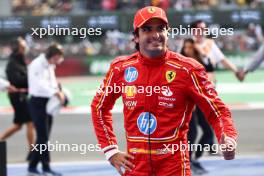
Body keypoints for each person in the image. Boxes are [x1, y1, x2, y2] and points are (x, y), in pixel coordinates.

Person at [91, 6, 237, 176]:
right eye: (147, 29)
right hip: (135, 168)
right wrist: (111, 151)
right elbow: (99, 107)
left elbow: (217, 110)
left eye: (161, 28)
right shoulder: (120, 68)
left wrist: (227, 137)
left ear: (168, 33)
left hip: (174, 168)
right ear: (136, 37)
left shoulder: (188, 69)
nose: (155, 34)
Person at [27, 43, 65, 176]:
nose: (58, 60)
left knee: (44, 136)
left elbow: (52, 82)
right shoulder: (37, 64)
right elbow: (39, 85)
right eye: (57, 57)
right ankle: (46, 167)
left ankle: (32, 164)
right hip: (37, 102)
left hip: (48, 102)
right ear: (52, 55)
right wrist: (54, 92)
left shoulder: (49, 64)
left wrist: (58, 90)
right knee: (43, 137)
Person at [181, 38, 215, 174]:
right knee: (192, 132)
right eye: (186, 47)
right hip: (188, 104)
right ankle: (188, 161)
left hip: (201, 102)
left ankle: (195, 158)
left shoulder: (200, 62)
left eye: (191, 47)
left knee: (208, 132)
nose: (188, 50)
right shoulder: (180, 62)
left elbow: (211, 71)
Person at [0, 37, 35, 153]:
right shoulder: (13, 63)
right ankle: (32, 152)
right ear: (18, 48)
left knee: (18, 125)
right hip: (18, 97)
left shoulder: (19, 60)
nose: (25, 48)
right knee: (30, 121)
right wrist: (31, 77)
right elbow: (17, 80)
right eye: (23, 46)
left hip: (21, 96)